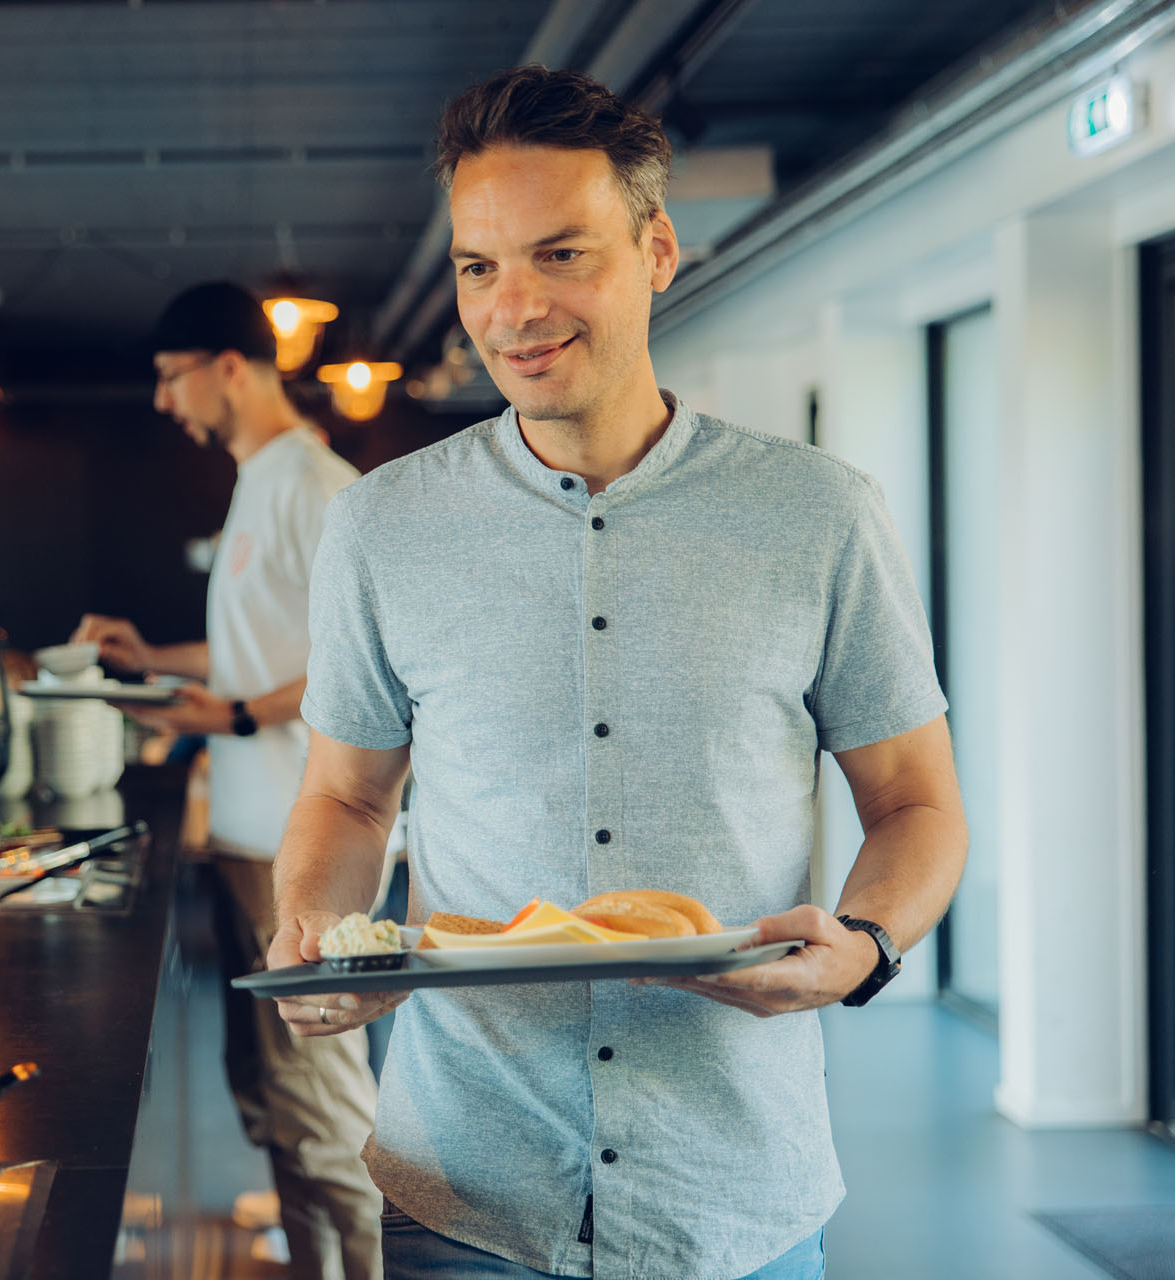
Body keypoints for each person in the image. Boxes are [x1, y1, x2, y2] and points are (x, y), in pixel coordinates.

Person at [267, 65, 969, 1280]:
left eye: (559, 254)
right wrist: (320, 934)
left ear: (656, 251)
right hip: (467, 1193)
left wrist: (865, 942)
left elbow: (916, 799)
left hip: (737, 1190)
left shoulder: (819, 514)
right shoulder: (383, 526)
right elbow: (346, 796)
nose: (513, 307)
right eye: (479, 266)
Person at [72, 281, 384, 1280]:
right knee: (270, 1100)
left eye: (172, 378)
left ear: (231, 368)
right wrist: (155, 657)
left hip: (309, 840)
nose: (166, 402)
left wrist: (235, 715)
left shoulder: (319, 484)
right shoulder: (258, 480)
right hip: (250, 833)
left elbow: (358, 661)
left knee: (323, 1110)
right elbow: (256, 648)